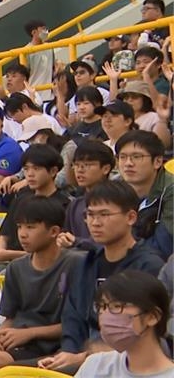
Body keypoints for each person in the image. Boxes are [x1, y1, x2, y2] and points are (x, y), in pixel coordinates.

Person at [44, 181, 166, 372]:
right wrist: (69, 351)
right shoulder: (85, 263)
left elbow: (147, 332)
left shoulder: (149, 266)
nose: (95, 222)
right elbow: (73, 317)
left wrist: (82, 356)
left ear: (131, 217)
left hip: (124, 360)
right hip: (78, 356)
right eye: (90, 215)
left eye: (104, 214)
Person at [0, 197, 78, 373]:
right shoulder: (16, 268)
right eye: (19, 227)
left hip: (54, 348)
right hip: (19, 341)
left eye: (31, 227)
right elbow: (10, 317)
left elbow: (78, 323)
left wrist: (29, 333)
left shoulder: (75, 265)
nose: (22, 234)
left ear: (54, 231)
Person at [73, 271, 174, 378]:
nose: (106, 315)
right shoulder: (95, 365)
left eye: (117, 306)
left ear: (153, 316)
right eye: (102, 307)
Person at [0, 144, 70, 267]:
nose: (30, 174)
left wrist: (9, 254)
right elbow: (4, 236)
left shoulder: (64, 205)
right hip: (7, 262)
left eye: (36, 169)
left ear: (53, 171)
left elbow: (55, 252)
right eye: (26, 169)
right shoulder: (20, 199)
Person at [115, 130, 173, 259]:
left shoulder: (170, 190)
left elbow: (166, 246)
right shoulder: (116, 187)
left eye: (137, 157)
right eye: (123, 157)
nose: (128, 163)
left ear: (157, 161)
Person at [58, 140, 115, 251]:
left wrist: (76, 242)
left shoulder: (116, 202)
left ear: (106, 168)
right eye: (77, 165)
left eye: (87, 165)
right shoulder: (75, 204)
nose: (80, 170)